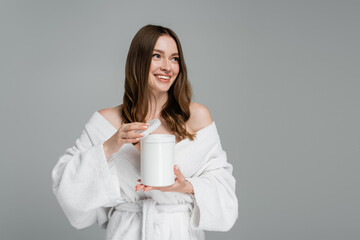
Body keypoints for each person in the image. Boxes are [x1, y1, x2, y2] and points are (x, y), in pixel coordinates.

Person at [52, 24, 238, 240]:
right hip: (127, 232)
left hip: (179, 232)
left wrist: (185, 186)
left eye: (175, 58)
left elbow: (225, 192)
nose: (168, 67)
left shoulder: (197, 117)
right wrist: (109, 146)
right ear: (138, 61)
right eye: (157, 56)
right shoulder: (106, 122)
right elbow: (67, 188)